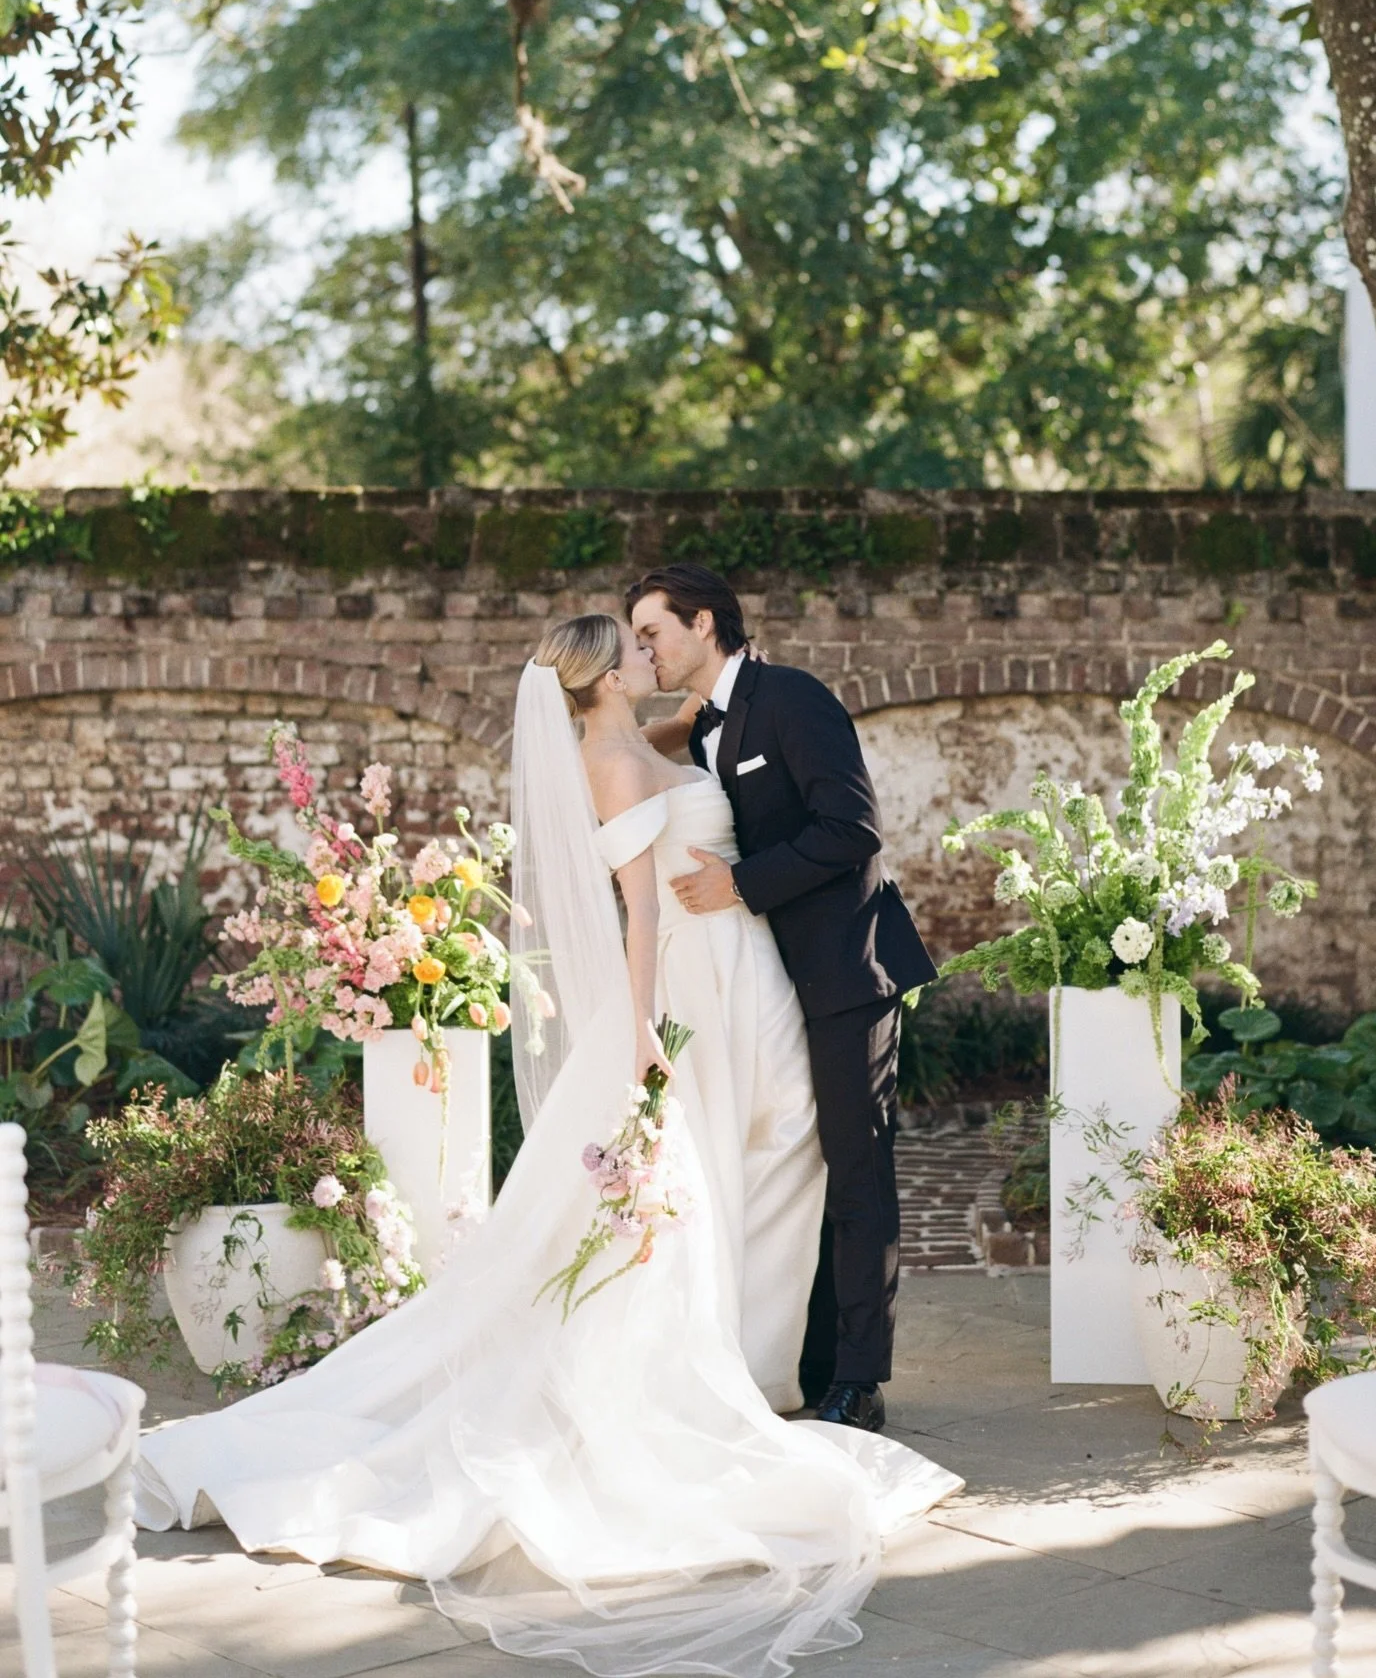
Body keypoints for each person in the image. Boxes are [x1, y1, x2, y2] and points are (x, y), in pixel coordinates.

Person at [133, 613, 959, 1678]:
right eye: (631, 640)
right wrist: (648, 1043)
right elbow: (640, 917)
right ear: (601, 672)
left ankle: (753, 1358)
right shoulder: (610, 759)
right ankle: (733, 1370)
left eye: (652, 631)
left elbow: (700, 743)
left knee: (763, 1149)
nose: (644, 650)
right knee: (704, 1171)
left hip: (742, 965)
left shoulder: (650, 734)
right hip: (689, 981)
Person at [629, 566, 937, 1432]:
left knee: (854, 1168)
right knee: (782, 1162)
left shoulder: (795, 700)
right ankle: (799, 1356)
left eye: (653, 631)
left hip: (846, 973)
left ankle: (859, 1380)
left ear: (702, 622)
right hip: (763, 986)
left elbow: (852, 829)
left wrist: (740, 885)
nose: (646, 648)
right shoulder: (703, 726)